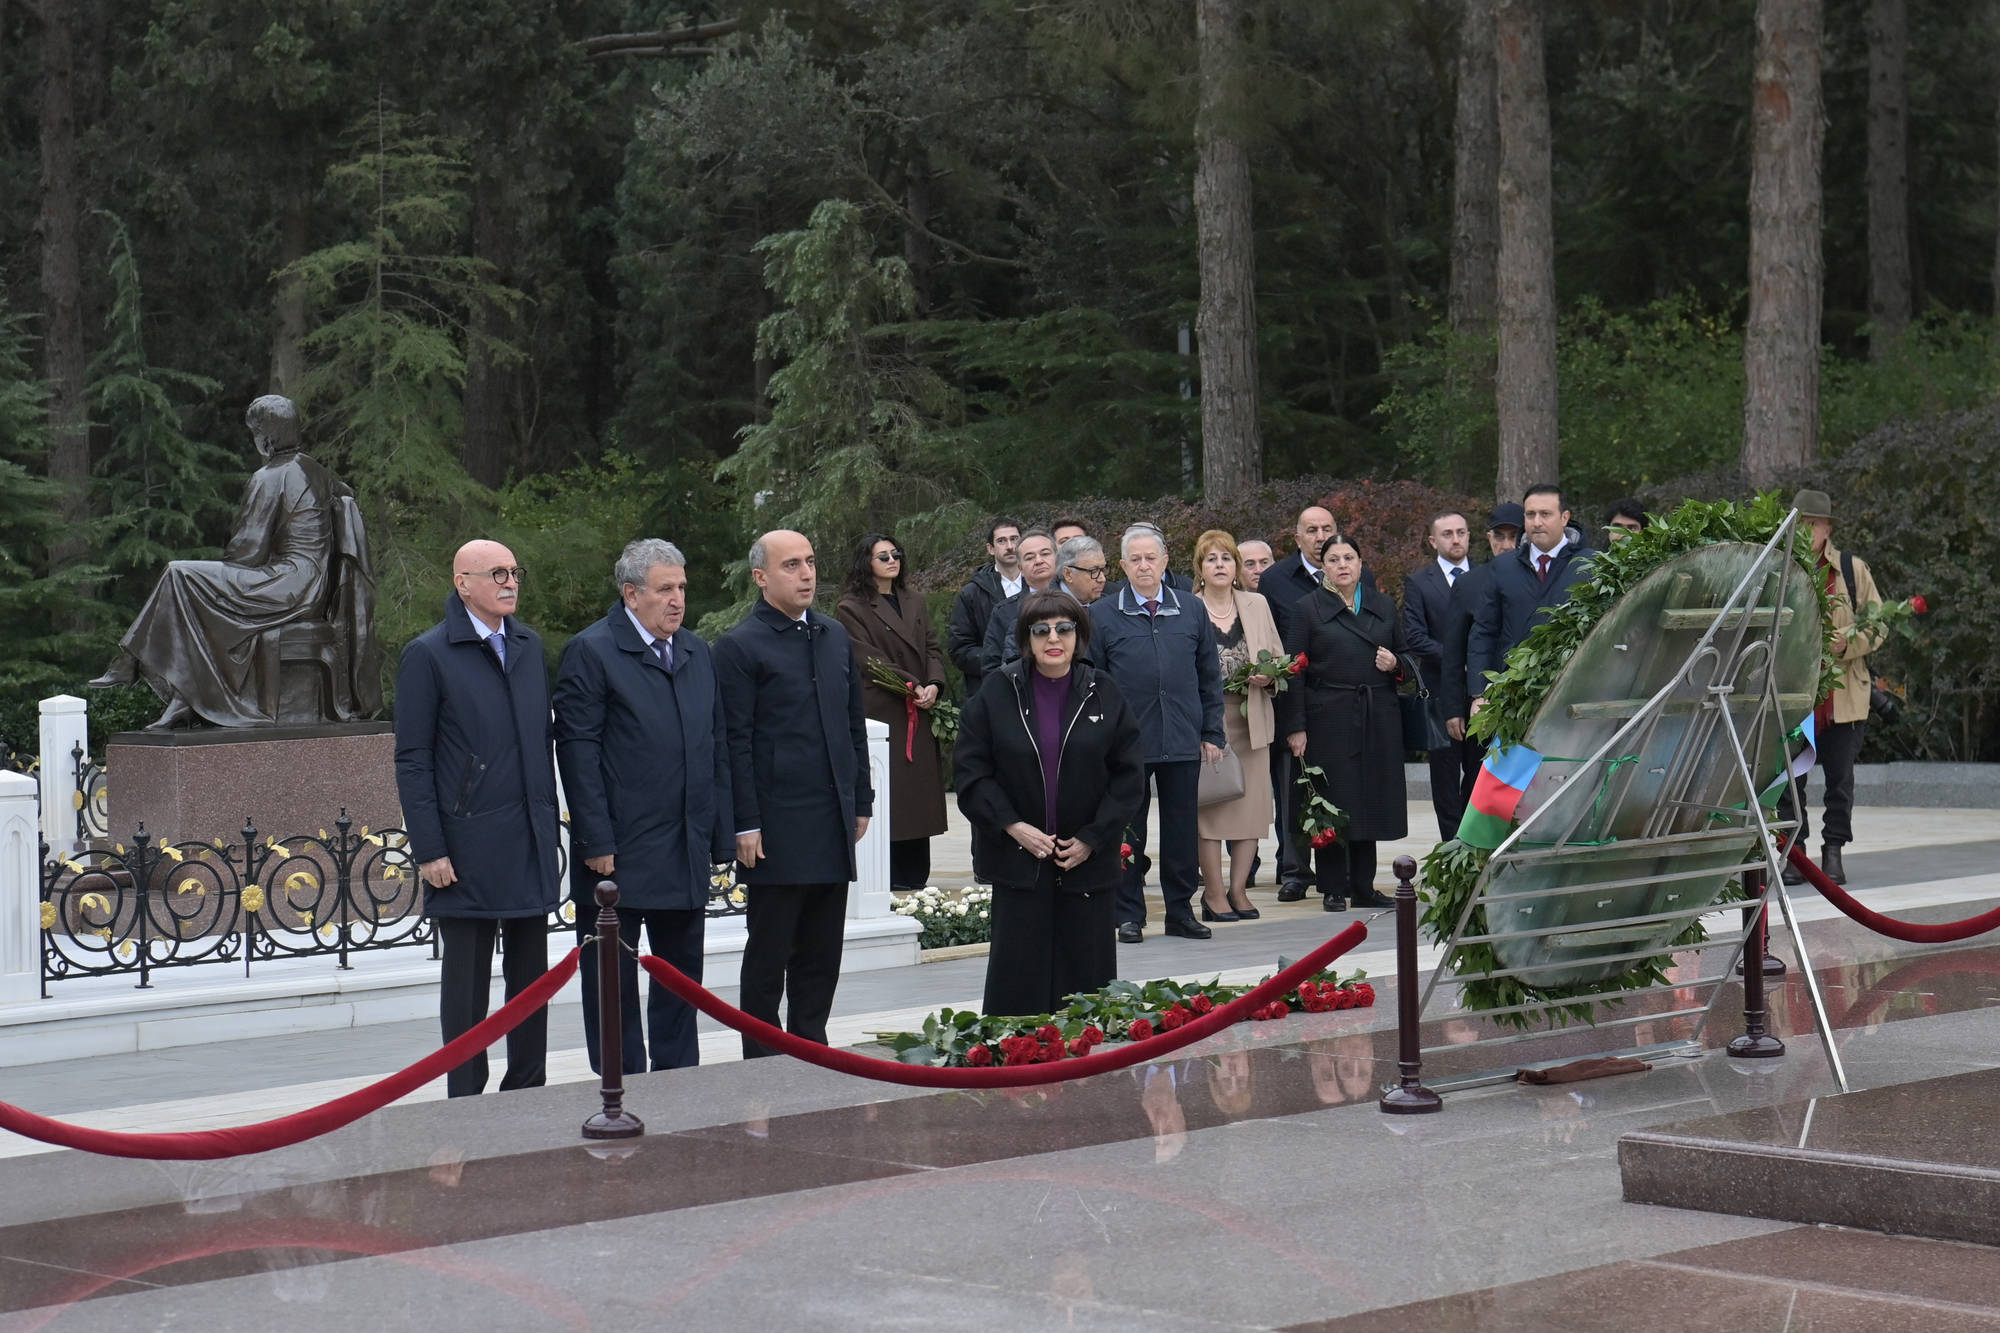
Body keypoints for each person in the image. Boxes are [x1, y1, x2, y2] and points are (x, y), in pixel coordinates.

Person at [89, 394, 381, 728]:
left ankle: (134, 663)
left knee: (179, 574)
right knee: (189, 585)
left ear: (266, 438)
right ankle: (180, 696)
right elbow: (345, 496)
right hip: (311, 587)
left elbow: (247, 552)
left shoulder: (269, 476)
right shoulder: (317, 471)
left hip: (287, 585)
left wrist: (223, 570)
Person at [553, 539, 731, 1073]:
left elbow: (716, 746)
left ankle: (678, 1083)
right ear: (631, 594)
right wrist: (595, 839)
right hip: (618, 853)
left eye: (682, 588)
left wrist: (719, 836)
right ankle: (620, 1086)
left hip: (683, 846)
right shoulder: (592, 651)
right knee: (612, 984)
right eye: (664, 589)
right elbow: (579, 753)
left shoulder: (696, 652)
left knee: (681, 982)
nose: (678, 600)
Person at [393, 540, 559, 1097]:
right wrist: (429, 848)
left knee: (530, 982)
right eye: (497, 574)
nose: (511, 583)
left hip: (529, 838)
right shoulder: (429, 655)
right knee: (466, 987)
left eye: (515, 572)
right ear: (463, 583)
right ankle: (465, 1100)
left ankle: (527, 1091)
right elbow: (413, 759)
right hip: (465, 847)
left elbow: (540, 740)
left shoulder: (529, 647)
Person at [715, 530, 873, 1057]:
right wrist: (745, 822)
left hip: (831, 819)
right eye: (791, 565)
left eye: (810, 561)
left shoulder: (833, 635)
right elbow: (734, 742)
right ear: (761, 577)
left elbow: (853, 725)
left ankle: (812, 1050)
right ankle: (762, 1060)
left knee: (822, 952)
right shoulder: (740, 647)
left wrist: (862, 800)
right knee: (770, 952)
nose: (806, 574)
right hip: (776, 827)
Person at [953, 592, 1145, 1016]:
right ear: (1026, 638)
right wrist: (1012, 826)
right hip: (1019, 863)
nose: (1053, 638)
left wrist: (1092, 839)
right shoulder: (997, 692)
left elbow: (1129, 777)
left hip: (1086, 865)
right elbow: (971, 774)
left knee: (1087, 1001)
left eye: (1064, 628)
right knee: (1018, 994)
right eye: (1041, 630)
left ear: (1080, 635)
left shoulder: (1104, 691)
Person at [1089, 524, 1226, 943]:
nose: (1144, 566)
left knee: (1181, 830)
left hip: (1182, 736)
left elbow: (1209, 675)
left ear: (1166, 562)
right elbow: (1092, 681)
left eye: (1152, 558)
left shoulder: (1192, 609)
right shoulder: (1102, 614)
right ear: (1123, 565)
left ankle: (1180, 911)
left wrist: (1212, 731)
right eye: (1136, 559)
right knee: (1127, 830)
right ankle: (1128, 913)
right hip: (1127, 742)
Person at [1280, 535, 1407, 911]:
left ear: (1361, 562)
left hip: (1376, 714)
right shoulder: (1307, 609)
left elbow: (1408, 656)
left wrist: (1395, 664)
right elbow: (1293, 671)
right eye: (1333, 559)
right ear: (1323, 568)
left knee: (1369, 799)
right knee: (1331, 800)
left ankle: (1364, 887)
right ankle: (1333, 887)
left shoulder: (1383, 605)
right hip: (1328, 716)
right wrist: (1296, 726)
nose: (1342, 565)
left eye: (1349, 557)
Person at [1779, 489, 1883, 887]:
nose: (1807, 531)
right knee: (1791, 783)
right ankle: (1796, 855)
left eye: (1814, 524)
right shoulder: (1780, 568)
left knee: (1840, 781)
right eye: (1800, 524)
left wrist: (1848, 643)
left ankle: (1834, 851)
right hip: (1796, 695)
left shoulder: (1852, 570)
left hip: (1843, 696)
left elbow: (1878, 624)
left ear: (1827, 529)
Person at [836, 533, 948, 894]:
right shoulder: (851, 607)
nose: (892, 560)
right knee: (893, 794)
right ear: (865, 563)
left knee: (919, 795)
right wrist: (912, 686)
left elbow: (932, 647)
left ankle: (917, 873)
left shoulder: (915, 600)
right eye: (882, 556)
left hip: (921, 703)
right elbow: (868, 660)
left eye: (895, 554)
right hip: (886, 707)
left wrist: (934, 684)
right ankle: (891, 873)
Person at [1190, 531, 1282, 921]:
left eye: (1226, 558)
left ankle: (1239, 891)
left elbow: (1278, 657)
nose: (1220, 565)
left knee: (1252, 811)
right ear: (1200, 568)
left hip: (1252, 716)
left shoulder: (1257, 604)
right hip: (1207, 721)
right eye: (1211, 559)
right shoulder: (1188, 607)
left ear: (1237, 567)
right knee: (1210, 812)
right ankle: (1213, 894)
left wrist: (1269, 675)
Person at [1467, 484, 1593, 719]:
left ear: (1564, 517)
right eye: (1530, 514)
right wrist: (1479, 693)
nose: (1537, 522)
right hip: (1511, 695)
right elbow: (1484, 631)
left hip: (1572, 692)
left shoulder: (1589, 565)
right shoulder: (1502, 567)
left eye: (1545, 514)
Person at [1439, 505, 1523, 813]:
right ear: (1488, 538)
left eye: (1514, 536)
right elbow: (1453, 650)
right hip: (1481, 702)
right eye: (1500, 536)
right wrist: (1453, 709)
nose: (1506, 544)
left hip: (1525, 697)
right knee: (1477, 782)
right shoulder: (1469, 583)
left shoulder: (1535, 580)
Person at [1403, 511, 1479, 841]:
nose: (1456, 539)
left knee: (1480, 771)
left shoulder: (1486, 576)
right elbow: (1414, 637)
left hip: (1481, 690)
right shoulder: (1420, 582)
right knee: (1445, 776)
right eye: (1447, 534)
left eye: (1461, 532)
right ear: (1433, 541)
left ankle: (1474, 841)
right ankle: (1452, 846)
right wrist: (1458, 660)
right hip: (1439, 693)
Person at [946, 517, 1022, 698]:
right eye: (1001, 541)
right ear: (990, 548)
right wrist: (1001, 661)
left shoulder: (1039, 585)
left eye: (1014, 539)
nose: (1010, 546)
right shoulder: (971, 593)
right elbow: (960, 649)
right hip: (991, 689)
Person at [979, 530, 1062, 673]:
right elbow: (991, 668)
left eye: (1045, 554)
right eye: (1029, 557)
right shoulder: (1004, 612)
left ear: (1058, 559)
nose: (1039, 561)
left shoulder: (1078, 600)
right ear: (1020, 568)